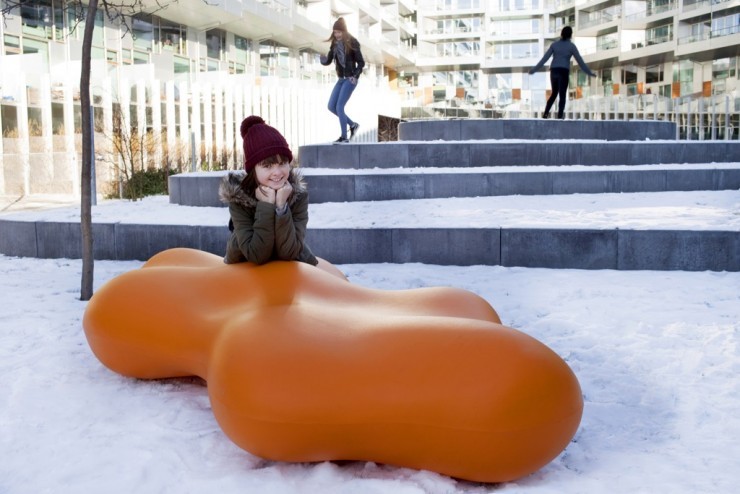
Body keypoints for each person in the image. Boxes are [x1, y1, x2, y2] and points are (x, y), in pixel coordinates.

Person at [218, 115, 318, 266]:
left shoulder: (298, 196)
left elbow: (289, 253)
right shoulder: (239, 200)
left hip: (290, 269)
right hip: (244, 268)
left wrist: (281, 208)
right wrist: (266, 205)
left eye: (282, 163)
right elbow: (256, 255)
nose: (277, 172)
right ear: (253, 170)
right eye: (267, 166)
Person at [528, 26, 595, 120]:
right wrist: (589, 73)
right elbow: (580, 62)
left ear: (562, 34)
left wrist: (534, 69)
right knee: (562, 94)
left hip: (554, 70)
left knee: (554, 93)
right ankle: (559, 116)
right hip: (563, 71)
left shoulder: (554, 45)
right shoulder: (571, 46)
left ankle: (545, 114)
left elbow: (544, 59)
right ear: (570, 35)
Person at [320, 17, 365, 143]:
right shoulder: (334, 44)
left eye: (339, 32)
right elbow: (328, 61)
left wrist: (355, 76)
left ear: (344, 32)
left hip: (350, 79)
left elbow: (361, 63)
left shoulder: (353, 42)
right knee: (331, 106)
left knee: (339, 106)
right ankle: (353, 125)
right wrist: (323, 59)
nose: (337, 35)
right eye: (335, 32)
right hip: (340, 79)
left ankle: (344, 137)